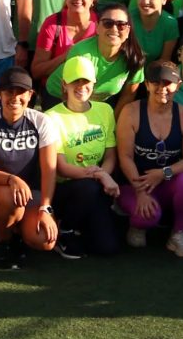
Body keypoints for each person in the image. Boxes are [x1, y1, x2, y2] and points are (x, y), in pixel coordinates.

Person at [0, 68, 60, 264]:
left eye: (21, 92)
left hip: (31, 194)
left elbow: (49, 170)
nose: (15, 98)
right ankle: (5, 243)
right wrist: (12, 179)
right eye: (9, 92)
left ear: (30, 95)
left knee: (43, 241)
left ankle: (18, 231)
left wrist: (46, 208)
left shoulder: (42, 121)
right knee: (11, 196)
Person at [115, 59, 183, 256]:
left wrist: (164, 173)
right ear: (147, 85)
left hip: (166, 182)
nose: (162, 88)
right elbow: (125, 156)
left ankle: (179, 233)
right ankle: (136, 223)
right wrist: (140, 191)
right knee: (147, 218)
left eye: (167, 83)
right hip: (133, 183)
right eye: (156, 82)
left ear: (178, 86)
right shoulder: (131, 112)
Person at [45, 57, 124, 259]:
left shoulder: (105, 110)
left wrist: (102, 175)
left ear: (94, 83)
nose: (81, 86)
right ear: (64, 85)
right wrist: (101, 176)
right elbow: (61, 167)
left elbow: (110, 156)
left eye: (86, 81)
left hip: (95, 186)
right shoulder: (51, 117)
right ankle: (64, 229)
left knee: (108, 248)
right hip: (65, 189)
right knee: (87, 187)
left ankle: (81, 227)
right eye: (75, 81)